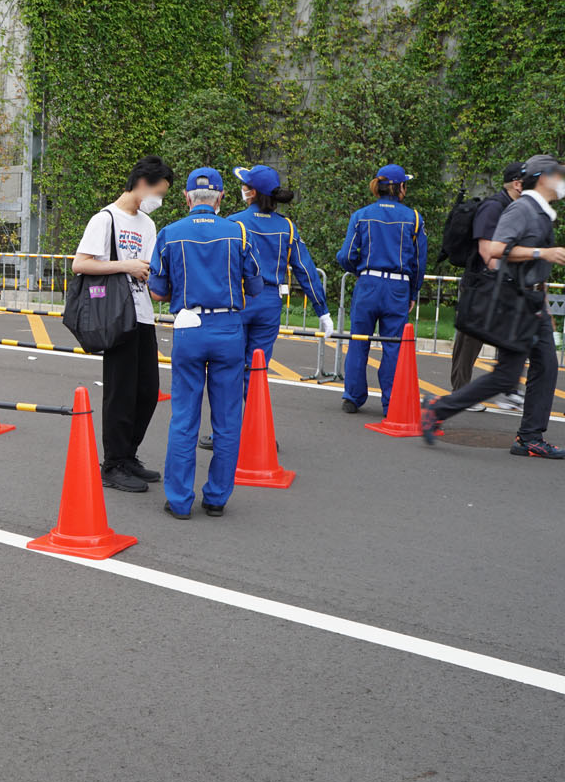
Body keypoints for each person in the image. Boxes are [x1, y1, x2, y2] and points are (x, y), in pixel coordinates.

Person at [421, 155, 565, 459]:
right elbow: (494, 249)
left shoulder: (542, 213)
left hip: (534, 303)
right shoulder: (522, 209)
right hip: (516, 304)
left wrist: (545, 305)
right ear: (542, 177)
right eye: (558, 174)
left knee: (546, 366)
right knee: (506, 376)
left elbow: (533, 269)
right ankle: (437, 410)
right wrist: (543, 252)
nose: (563, 181)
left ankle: (530, 437)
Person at [148, 167, 261, 519]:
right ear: (221, 197)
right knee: (227, 419)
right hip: (228, 327)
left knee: (184, 416)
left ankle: (180, 500)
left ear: (186, 197)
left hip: (189, 326)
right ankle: (216, 497)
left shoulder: (170, 233)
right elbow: (255, 285)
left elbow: (157, 290)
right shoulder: (238, 232)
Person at [197, 165, 333, 450]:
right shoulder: (287, 227)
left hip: (239, 301)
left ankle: (225, 434)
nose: (242, 188)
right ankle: (261, 434)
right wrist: (322, 310)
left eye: (245, 185)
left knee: (229, 369)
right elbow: (306, 270)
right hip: (270, 303)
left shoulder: (234, 223)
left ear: (253, 192)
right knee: (257, 370)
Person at [70, 155, 172, 492]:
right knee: (120, 393)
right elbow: (80, 264)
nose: (159, 200)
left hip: (143, 314)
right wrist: (126, 265)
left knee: (147, 392)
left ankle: (128, 455)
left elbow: (151, 269)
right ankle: (113, 464)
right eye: (159, 192)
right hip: (116, 315)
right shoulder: (105, 219)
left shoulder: (148, 224)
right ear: (142, 183)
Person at [335, 164, 428, 415]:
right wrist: (413, 291)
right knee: (393, 346)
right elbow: (419, 262)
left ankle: (352, 397)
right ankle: (391, 402)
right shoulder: (414, 218)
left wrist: (360, 270)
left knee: (358, 341)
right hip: (398, 287)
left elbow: (345, 255)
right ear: (401, 187)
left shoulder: (361, 215)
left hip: (368, 284)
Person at [448, 162, 526, 410]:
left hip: (503, 283)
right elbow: (486, 251)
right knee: (470, 340)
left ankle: (508, 390)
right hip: (481, 284)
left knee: (513, 335)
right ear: (517, 184)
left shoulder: (516, 208)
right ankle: (461, 392)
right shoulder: (493, 207)